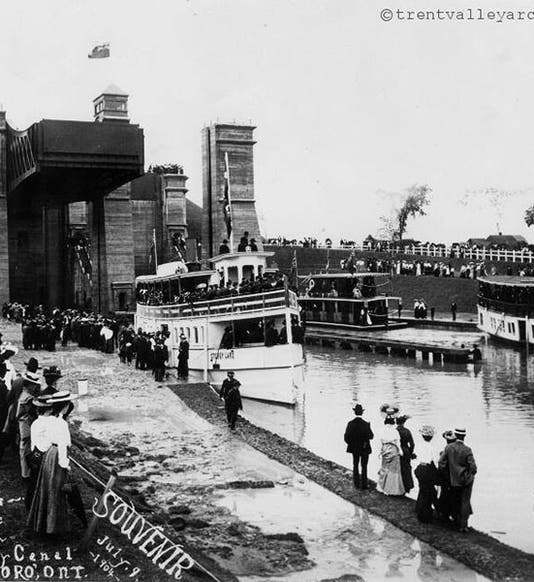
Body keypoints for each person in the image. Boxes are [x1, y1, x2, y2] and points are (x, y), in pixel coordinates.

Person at [27, 391, 78, 535]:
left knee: (47, 488)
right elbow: (62, 444)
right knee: (56, 490)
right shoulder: (61, 423)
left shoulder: (49, 420)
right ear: (65, 406)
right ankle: (54, 527)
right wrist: (64, 463)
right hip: (56, 456)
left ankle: (43, 523)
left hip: (49, 454)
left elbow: (46, 441)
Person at [438, 427, 477, 532]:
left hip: (453, 480)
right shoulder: (467, 449)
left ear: (456, 435)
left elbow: (441, 463)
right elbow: (473, 467)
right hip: (466, 479)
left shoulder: (449, 448)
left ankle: (455, 521)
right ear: (464, 436)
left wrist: (448, 475)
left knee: (455, 500)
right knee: (465, 501)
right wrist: (469, 475)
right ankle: (463, 526)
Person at [344, 404, 374, 490]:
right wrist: (369, 427)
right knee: (364, 466)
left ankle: (356, 483)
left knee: (355, 464)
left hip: (354, 448)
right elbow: (371, 436)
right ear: (362, 413)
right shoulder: (366, 424)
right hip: (364, 448)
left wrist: (352, 444)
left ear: (354, 412)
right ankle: (364, 485)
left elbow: (346, 437)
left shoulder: (350, 423)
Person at [378, 405, 405, 496]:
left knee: (385, 467)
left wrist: (380, 451)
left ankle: (383, 487)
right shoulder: (395, 431)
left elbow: (381, 441)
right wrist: (400, 450)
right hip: (393, 449)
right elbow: (397, 442)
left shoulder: (382, 429)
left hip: (385, 449)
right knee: (394, 470)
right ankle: (392, 489)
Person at [414, 425, 439, 522]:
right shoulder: (432, 447)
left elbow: (416, 456)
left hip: (420, 467)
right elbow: (435, 461)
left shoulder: (419, 445)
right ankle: (425, 515)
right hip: (428, 469)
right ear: (431, 437)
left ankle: (420, 509)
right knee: (428, 491)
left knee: (423, 488)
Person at [436, 430, 456, 522]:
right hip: (453, 477)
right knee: (452, 495)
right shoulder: (454, 450)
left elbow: (441, 465)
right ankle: (451, 513)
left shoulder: (444, 451)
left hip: (445, 477)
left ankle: (443, 513)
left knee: (444, 494)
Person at [396, 415, 415, 493]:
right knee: (407, 469)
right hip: (406, 450)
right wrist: (410, 452)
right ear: (404, 423)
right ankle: (407, 487)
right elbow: (412, 444)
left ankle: (398, 487)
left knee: (398, 469)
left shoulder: (395, 431)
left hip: (397, 450)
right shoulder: (407, 431)